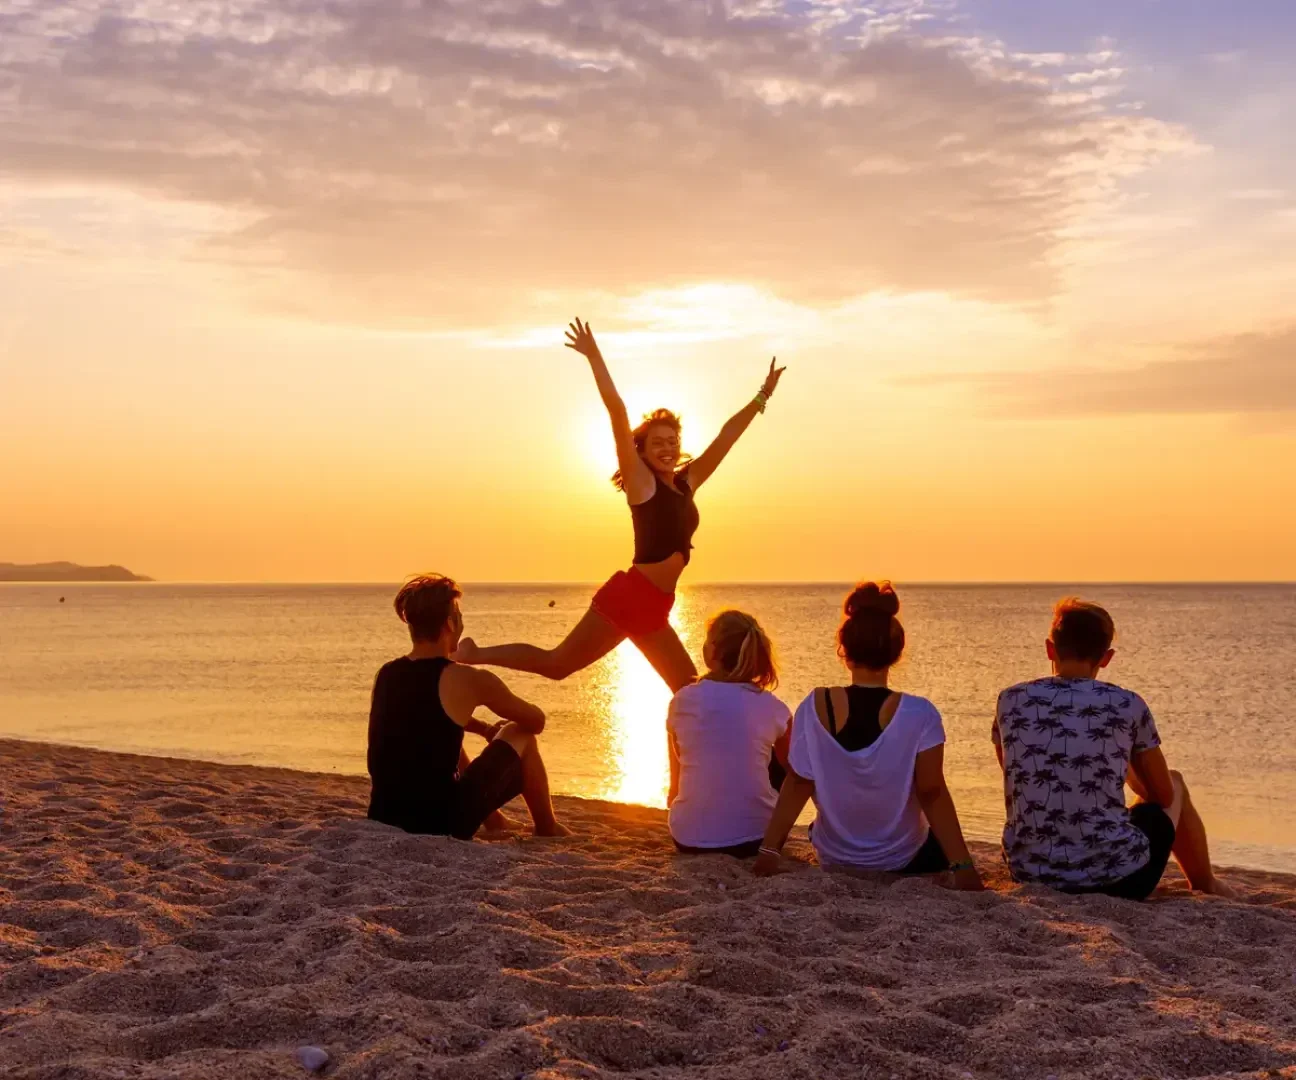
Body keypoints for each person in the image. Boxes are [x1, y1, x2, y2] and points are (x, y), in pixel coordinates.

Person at [453, 317, 786, 693]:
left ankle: (684, 753)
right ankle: (474, 654)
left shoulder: (685, 483)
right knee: (560, 664)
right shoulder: (641, 485)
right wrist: (594, 356)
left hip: (657, 604)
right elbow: (617, 411)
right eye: (658, 442)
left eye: (673, 441)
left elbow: (726, 437)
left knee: (688, 690)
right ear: (641, 451)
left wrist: (763, 395)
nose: (668, 448)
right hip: (632, 597)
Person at [993, 598, 1233, 900]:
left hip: (1029, 872)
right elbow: (1162, 797)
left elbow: (1017, 772)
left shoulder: (1010, 700)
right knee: (1175, 782)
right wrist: (1123, 758)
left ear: (1049, 648)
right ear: (1106, 657)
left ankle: (1204, 882)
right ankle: (1205, 883)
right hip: (1118, 881)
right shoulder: (1127, 704)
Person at [753, 583, 983, 889]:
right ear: (897, 651)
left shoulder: (814, 704)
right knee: (939, 847)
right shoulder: (921, 713)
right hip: (903, 859)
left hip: (835, 857)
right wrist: (964, 866)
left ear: (844, 651)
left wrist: (769, 852)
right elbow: (931, 792)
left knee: (814, 826)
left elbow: (798, 783)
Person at [367, 574, 569, 840]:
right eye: (458, 616)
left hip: (384, 817)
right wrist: (504, 727)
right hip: (441, 824)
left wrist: (483, 728)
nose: (461, 622)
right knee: (520, 734)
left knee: (443, 737)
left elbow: (425, 722)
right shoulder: (467, 678)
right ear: (450, 623)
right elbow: (536, 722)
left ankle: (495, 821)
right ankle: (547, 828)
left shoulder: (386, 674)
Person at [666, 611, 792, 857]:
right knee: (779, 757)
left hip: (687, 837)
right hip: (756, 838)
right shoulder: (774, 707)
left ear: (712, 651)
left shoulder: (682, 700)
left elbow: (679, 767)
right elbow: (793, 772)